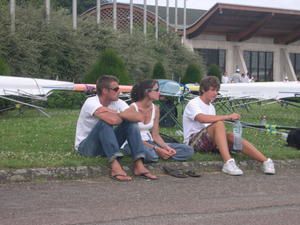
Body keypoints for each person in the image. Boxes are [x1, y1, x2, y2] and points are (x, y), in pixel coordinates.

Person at [182, 76, 275, 176]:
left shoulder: (211, 107)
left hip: (208, 140)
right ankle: (228, 162)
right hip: (192, 143)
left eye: (217, 90)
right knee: (219, 123)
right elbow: (201, 118)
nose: (215, 93)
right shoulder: (193, 103)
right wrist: (227, 117)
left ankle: (266, 161)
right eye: (212, 90)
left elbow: (211, 127)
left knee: (231, 136)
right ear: (203, 90)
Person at [75, 75, 157, 181]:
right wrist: (123, 115)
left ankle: (139, 164)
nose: (119, 91)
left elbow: (138, 117)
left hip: (106, 145)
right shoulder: (91, 102)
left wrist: (117, 113)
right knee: (104, 123)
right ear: (105, 90)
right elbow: (112, 121)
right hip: (87, 148)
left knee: (131, 124)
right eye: (116, 89)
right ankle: (115, 165)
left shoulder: (118, 102)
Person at [123, 79, 194, 163]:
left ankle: (162, 154)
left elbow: (155, 136)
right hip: (134, 143)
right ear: (147, 92)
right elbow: (132, 137)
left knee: (187, 150)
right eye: (156, 90)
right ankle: (158, 155)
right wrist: (156, 149)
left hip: (151, 143)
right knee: (151, 155)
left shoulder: (155, 109)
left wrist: (166, 148)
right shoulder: (132, 108)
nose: (159, 92)